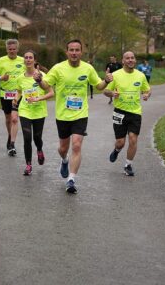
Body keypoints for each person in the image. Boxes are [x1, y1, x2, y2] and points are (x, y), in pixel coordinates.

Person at [35, 39, 112, 193]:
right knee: (63, 148)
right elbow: (46, 86)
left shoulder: (87, 68)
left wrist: (106, 80)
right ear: (67, 52)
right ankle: (64, 160)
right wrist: (39, 81)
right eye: (71, 50)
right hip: (63, 114)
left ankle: (71, 179)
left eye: (77, 50)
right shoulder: (58, 68)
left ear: (81, 52)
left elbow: (98, 86)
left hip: (80, 113)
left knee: (76, 145)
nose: (74, 53)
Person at [104, 51, 151, 176]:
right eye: (127, 58)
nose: (130, 60)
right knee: (121, 142)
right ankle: (117, 150)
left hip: (135, 112)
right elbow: (105, 90)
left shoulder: (141, 76)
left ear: (135, 60)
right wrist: (112, 94)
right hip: (119, 112)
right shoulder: (116, 75)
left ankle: (128, 165)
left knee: (133, 139)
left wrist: (146, 94)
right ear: (123, 61)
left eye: (132, 58)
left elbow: (147, 89)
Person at [15, 51, 54, 176]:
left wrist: (38, 99)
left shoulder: (41, 75)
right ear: (24, 61)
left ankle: (39, 150)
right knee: (27, 138)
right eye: (26, 58)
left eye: (30, 57)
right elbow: (19, 91)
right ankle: (28, 165)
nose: (28, 60)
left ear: (34, 60)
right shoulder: (20, 77)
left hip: (39, 111)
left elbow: (51, 93)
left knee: (37, 138)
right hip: (25, 110)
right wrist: (15, 99)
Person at [0, 39, 25, 156]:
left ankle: (12, 143)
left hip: (18, 93)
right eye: (10, 49)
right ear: (7, 49)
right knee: (8, 118)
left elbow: (29, 73)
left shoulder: (22, 60)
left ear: (17, 49)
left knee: (14, 118)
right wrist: (1, 78)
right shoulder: (1, 61)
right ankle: (10, 136)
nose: (12, 51)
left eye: (14, 49)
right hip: (5, 93)